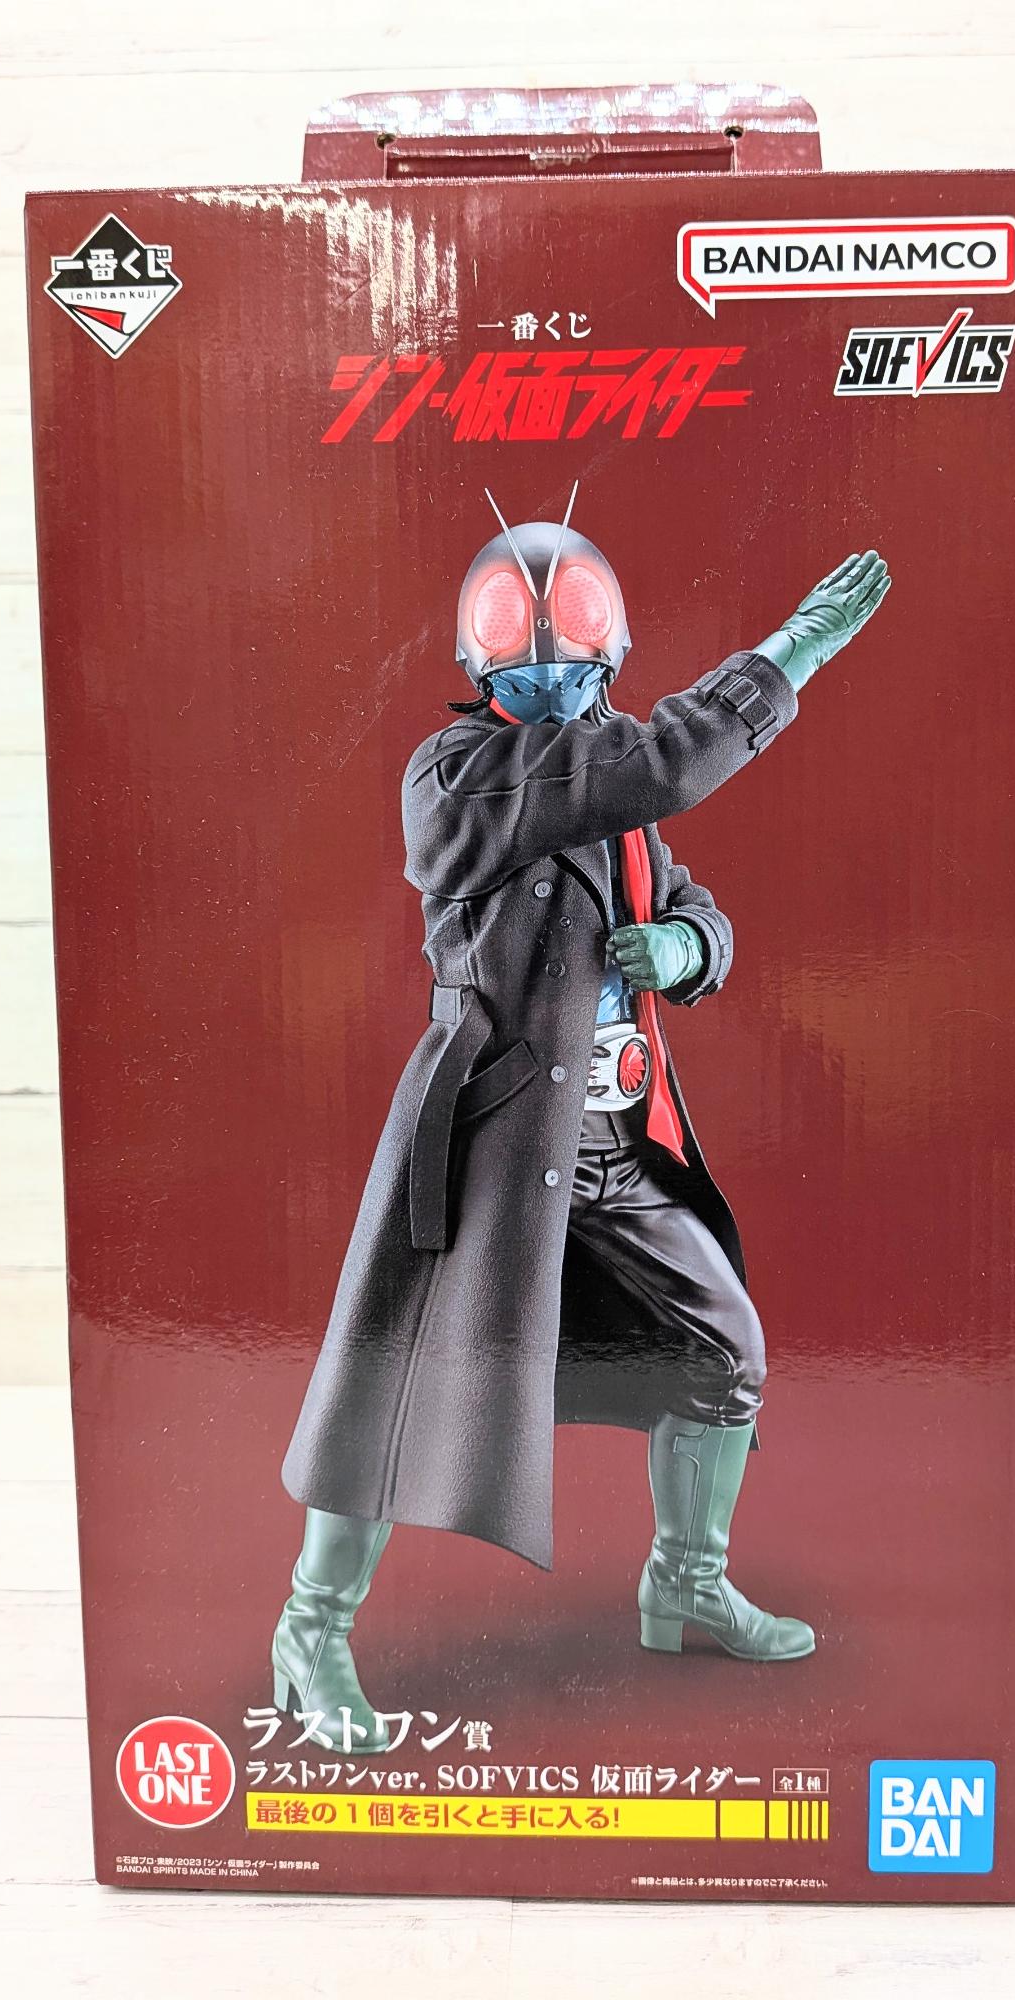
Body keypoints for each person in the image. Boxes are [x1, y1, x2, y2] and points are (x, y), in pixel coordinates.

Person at [274, 487, 890, 1750]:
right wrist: (783, 660)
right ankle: (312, 1628)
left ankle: (688, 1581)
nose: (552, 649)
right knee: (393, 1383)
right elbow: (641, 766)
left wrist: (690, 946)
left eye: (572, 620)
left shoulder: (615, 778)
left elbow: (685, 890)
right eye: (522, 622)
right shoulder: (456, 774)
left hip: (619, 1139)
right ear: (477, 645)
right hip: (493, 1141)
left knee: (724, 1346)